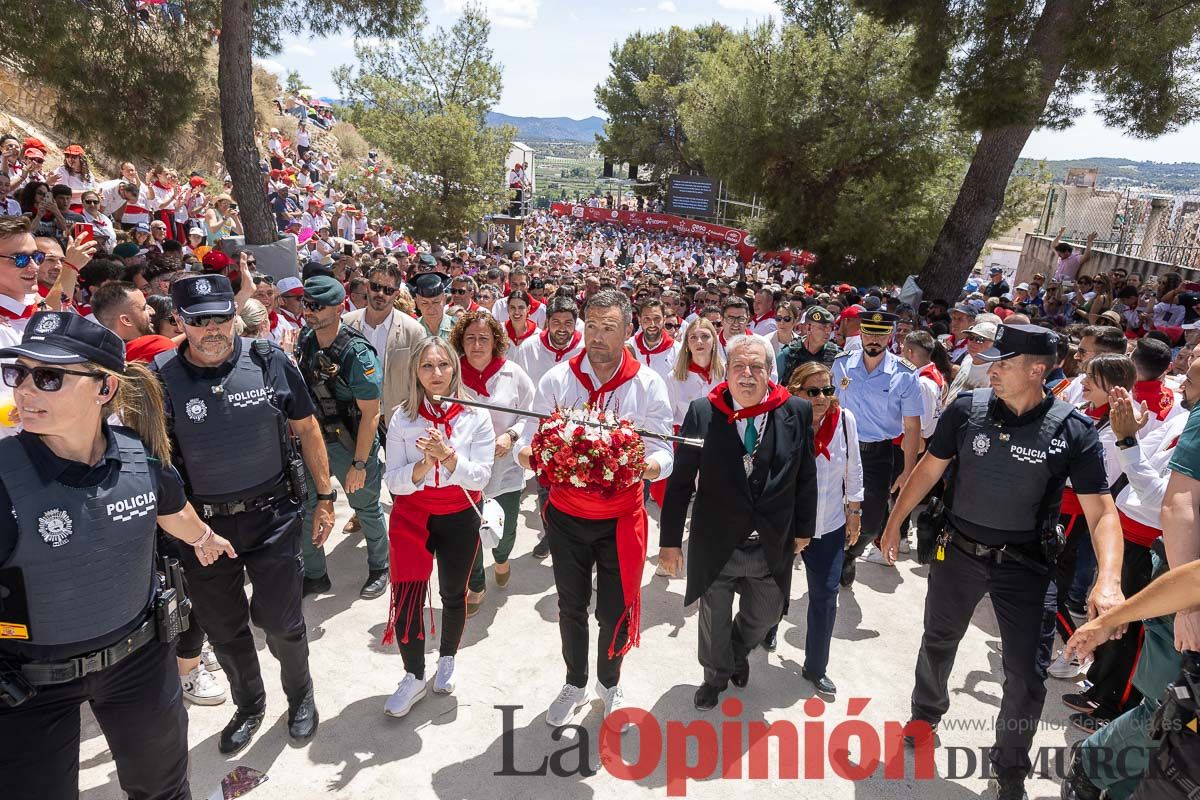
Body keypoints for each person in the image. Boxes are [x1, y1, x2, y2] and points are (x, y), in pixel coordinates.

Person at [879, 324, 1126, 800]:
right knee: (938, 641)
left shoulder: (1072, 431)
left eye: (1004, 363)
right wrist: (894, 522)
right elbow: (930, 467)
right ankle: (925, 715)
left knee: (1026, 675)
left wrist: (1109, 579)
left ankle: (1009, 766)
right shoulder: (966, 411)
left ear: (1038, 370)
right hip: (959, 552)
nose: (991, 369)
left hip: (1026, 567)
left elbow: (1102, 511)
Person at [0, 311, 236, 800]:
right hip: (30, 687)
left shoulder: (139, 457)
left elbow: (171, 509)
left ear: (104, 388)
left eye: (48, 377)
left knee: (164, 789)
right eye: (16, 373)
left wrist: (204, 538)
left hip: (139, 663)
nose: (24, 391)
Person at [151, 274, 336, 755]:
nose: (212, 329)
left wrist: (326, 497)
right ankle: (250, 704)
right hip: (202, 530)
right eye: (199, 321)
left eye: (221, 317)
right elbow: (154, 459)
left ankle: (301, 696)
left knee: (281, 621)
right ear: (180, 322)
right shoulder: (160, 375)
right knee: (224, 628)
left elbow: (308, 427)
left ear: (236, 316)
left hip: (272, 516)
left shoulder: (268, 359)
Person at [517, 289, 674, 729]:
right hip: (566, 518)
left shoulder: (648, 384)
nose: (599, 337)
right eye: (593, 326)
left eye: (610, 328)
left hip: (622, 519)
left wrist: (647, 465)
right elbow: (530, 434)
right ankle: (575, 680)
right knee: (571, 605)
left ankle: (610, 681)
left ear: (628, 331)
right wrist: (527, 455)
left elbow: (664, 448)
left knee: (616, 608)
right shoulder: (557, 380)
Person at [659, 335, 817, 710]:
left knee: (766, 614)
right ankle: (715, 677)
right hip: (716, 541)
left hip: (770, 541)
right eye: (739, 367)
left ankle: (737, 653)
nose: (747, 375)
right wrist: (669, 543)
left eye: (756, 367)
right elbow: (680, 482)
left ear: (769, 372)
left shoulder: (795, 410)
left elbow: (806, 476)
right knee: (713, 617)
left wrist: (804, 530)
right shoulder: (702, 411)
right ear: (725, 371)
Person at [380, 337, 495, 718]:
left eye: (443, 365)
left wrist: (447, 456)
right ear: (416, 371)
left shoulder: (475, 414)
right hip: (412, 514)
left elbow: (480, 475)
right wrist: (423, 466)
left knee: (453, 592)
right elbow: (393, 481)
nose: (436, 374)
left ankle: (447, 657)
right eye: (427, 366)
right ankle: (413, 675)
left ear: (455, 367)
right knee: (408, 596)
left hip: (460, 511)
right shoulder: (402, 417)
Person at [761, 362, 864, 676]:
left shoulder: (845, 421)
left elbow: (854, 469)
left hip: (829, 524)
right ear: (795, 391)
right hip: (788, 523)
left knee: (826, 595)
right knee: (775, 588)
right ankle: (768, 627)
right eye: (813, 391)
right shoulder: (782, 420)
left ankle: (816, 668)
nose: (822, 397)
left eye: (827, 390)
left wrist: (854, 513)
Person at [295, 275, 389, 600]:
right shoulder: (306, 340)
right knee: (310, 507)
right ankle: (315, 574)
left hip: (350, 442)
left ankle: (380, 566)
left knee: (365, 507)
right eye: (307, 303)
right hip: (315, 439)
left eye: (318, 306)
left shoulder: (356, 353)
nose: (310, 311)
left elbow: (371, 414)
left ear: (339, 308)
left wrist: (360, 463)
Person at [452, 310, 535, 613]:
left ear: (496, 341)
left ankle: (501, 560)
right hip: (464, 468)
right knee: (469, 530)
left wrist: (512, 435)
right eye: (470, 338)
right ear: (461, 341)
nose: (476, 345)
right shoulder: (451, 373)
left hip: (505, 466)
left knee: (505, 529)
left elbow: (531, 412)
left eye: (483, 338)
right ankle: (476, 584)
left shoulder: (513, 373)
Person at [831, 311, 922, 581]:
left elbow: (913, 426)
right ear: (861, 333)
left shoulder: (904, 374)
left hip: (877, 455)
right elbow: (830, 407)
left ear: (890, 336)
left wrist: (908, 472)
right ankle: (834, 558)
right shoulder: (842, 364)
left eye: (881, 334)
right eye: (869, 333)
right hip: (842, 447)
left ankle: (850, 553)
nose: (874, 339)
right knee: (831, 509)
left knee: (871, 525)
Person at [778, 306, 841, 386]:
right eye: (823, 327)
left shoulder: (836, 355)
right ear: (808, 328)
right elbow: (772, 385)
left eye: (830, 328)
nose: (828, 332)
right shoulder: (788, 354)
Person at [412, 271, 453, 339]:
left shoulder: (458, 328)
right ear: (417, 303)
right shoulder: (411, 330)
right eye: (425, 303)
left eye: (436, 302)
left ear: (444, 300)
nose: (431, 308)